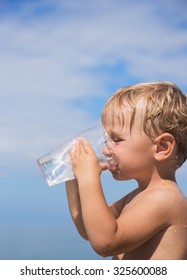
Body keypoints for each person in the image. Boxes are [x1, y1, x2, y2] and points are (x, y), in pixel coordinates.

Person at [65, 81, 187, 260]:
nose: (106, 149)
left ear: (162, 147)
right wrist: (73, 179)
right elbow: (90, 229)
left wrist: (88, 179)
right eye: (107, 140)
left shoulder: (166, 198)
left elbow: (106, 242)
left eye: (117, 139)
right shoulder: (137, 196)